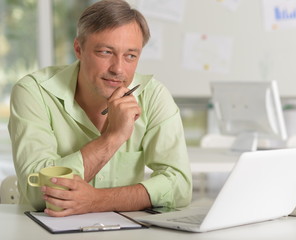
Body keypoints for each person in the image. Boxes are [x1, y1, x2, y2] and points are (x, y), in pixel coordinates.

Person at [8, 0, 192, 217]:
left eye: (130, 56)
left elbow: (180, 186)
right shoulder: (33, 92)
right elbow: (38, 194)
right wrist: (113, 137)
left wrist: (96, 201)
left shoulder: (153, 96)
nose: (118, 69)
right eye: (106, 52)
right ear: (79, 49)